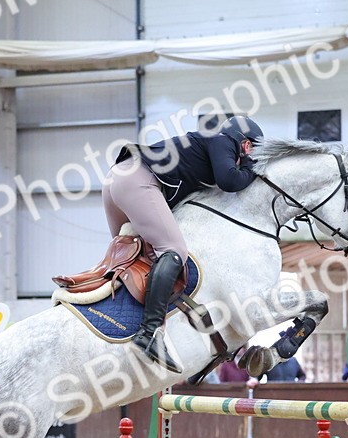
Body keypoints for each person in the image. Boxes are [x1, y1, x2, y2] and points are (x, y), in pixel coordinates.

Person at [103, 116, 264, 373]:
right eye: (253, 152)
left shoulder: (203, 148)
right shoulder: (223, 140)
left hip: (118, 177)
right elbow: (230, 181)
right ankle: (149, 333)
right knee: (174, 250)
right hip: (137, 177)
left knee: (132, 254)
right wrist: (256, 169)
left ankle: (112, 318)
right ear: (246, 145)